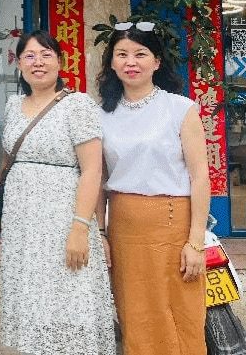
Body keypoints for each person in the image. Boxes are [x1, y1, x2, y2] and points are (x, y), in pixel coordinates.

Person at [96, 21, 210, 355]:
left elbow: (200, 177)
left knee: (179, 312)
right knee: (135, 315)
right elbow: (98, 179)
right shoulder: (101, 114)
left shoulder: (180, 109)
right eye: (122, 54)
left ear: (156, 62)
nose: (131, 62)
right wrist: (99, 233)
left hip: (172, 224)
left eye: (140, 54)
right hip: (123, 227)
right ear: (111, 63)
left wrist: (196, 242)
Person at [0, 30, 115, 355]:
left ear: (60, 62)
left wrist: (80, 228)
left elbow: (92, 171)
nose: (38, 62)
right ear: (19, 63)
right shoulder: (13, 105)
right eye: (30, 56)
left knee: (69, 298)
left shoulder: (78, 105)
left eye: (46, 55)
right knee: (32, 298)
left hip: (64, 220)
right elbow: (8, 161)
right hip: (22, 224)